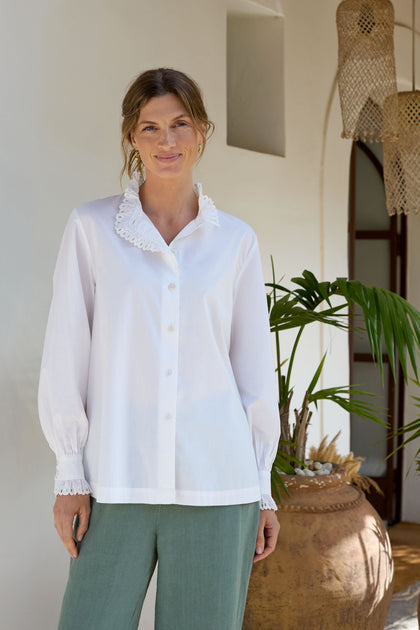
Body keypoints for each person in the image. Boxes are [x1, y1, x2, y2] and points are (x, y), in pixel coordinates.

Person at [38, 67, 280, 630]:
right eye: (150, 127)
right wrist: (70, 473)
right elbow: (66, 351)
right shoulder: (91, 229)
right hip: (114, 480)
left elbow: (252, 372)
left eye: (179, 124)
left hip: (219, 486)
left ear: (201, 131)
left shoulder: (236, 242)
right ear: (131, 137)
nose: (166, 141)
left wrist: (262, 488)